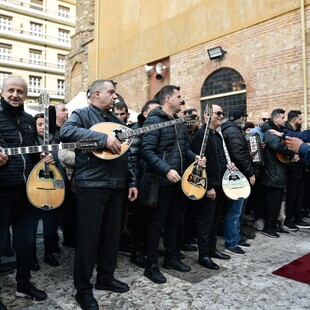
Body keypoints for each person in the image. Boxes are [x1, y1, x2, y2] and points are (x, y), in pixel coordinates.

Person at [60, 79, 138, 310]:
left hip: (117, 186)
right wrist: (103, 139)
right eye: (111, 92)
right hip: (91, 185)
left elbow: (127, 153)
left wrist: (132, 181)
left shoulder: (116, 120)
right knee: (88, 239)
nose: (115, 97)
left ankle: (105, 278)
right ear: (96, 94)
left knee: (112, 237)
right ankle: (82, 290)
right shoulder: (82, 114)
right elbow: (66, 132)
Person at [141, 85, 206, 284]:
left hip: (179, 180)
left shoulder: (178, 122)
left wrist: (196, 158)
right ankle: (151, 266)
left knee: (174, 222)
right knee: (156, 224)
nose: (181, 100)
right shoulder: (154, 120)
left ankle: (171, 258)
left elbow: (183, 149)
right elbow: (147, 151)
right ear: (168, 99)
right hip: (161, 180)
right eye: (179, 97)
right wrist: (166, 170)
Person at [0, 76, 50, 306]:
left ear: (25, 95)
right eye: (10, 90)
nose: (15, 95)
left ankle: (24, 284)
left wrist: (42, 157)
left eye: (20, 91)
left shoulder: (29, 120)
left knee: (27, 241)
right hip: (2, 190)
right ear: (2, 92)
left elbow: (32, 151)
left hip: (27, 190)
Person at [191, 105, 231, 270]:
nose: (221, 116)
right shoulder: (202, 135)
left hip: (220, 184)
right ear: (207, 115)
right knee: (206, 222)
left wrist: (229, 166)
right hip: (210, 187)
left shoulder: (217, 135)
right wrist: (207, 187)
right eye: (218, 113)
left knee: (215, 220)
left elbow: (218, 158)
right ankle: (204, 255)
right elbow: (198, 166)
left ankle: (213, 249)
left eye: (222, 113)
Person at [221, 106, 256, 255]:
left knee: (236, 209)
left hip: (234, 174)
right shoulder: (233, 131)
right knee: (235, 210)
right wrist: (250, 173)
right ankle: (232, 241)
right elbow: (238, 154)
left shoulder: (229, 130)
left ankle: (236, 237)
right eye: (244, 117)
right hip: (237, 176)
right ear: (240, 118)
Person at [129, 99, 160, 267]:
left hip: (154, 179)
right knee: (140, 220)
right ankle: (136, 252)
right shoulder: (136, 131)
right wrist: (135, 182)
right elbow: (133, 159)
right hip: (142, 180)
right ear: (146, 114)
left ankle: (149, 248)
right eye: (156, 111)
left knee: (151, 219)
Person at [30, 113, 60, 271]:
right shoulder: (31, 142)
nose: (42, 127)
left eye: (45, 124)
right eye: (39, 124)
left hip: (51, 189)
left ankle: (48, 253)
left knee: (50, 224)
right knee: (32, 225)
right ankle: (32, 257)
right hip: (35, 188)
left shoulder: (54, 141)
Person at [260, 108, 296, 238]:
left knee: (277, 203)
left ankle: (274, 226)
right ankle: (268, 228)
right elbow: (275, 146)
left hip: (278, 172)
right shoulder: (270, 131)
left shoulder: (278, 131)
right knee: (272, 204)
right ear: (275, 119)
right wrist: (291, 152)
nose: (284, 120)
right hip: (272, 173)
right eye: (282, 118)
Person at [282, 111, 310, 231]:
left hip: (301, 168)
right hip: (292, 168)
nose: (302, 121)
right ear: (294, 120)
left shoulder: (298, 132)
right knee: (292, 195)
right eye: (300, 119)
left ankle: (297, 218)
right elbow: (283, 147)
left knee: (299, 194)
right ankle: (289, 220)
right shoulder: (285, 131)